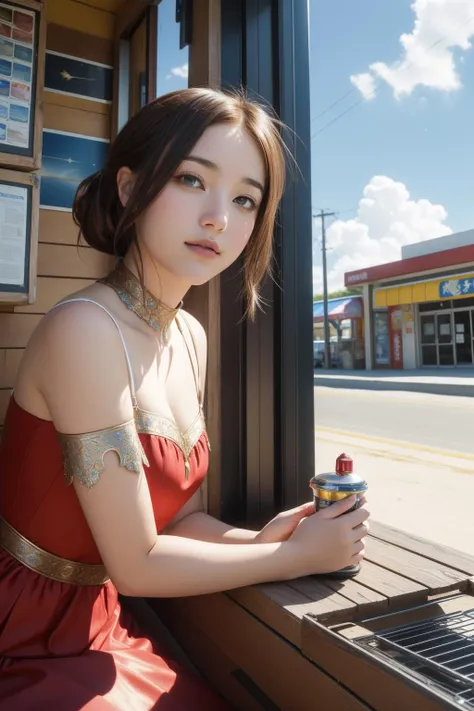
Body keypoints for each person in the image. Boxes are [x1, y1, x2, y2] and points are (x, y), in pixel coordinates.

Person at [0, 87, 370, 710]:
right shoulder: (86, 329)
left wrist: (265, 540)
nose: (220, 218)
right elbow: (139, 564)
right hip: (20, 634)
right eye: (191, 179)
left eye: (246, 198)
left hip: (92, 624)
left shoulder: (189, 337)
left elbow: (177, 521)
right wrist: (292, 558)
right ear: (128, 188)